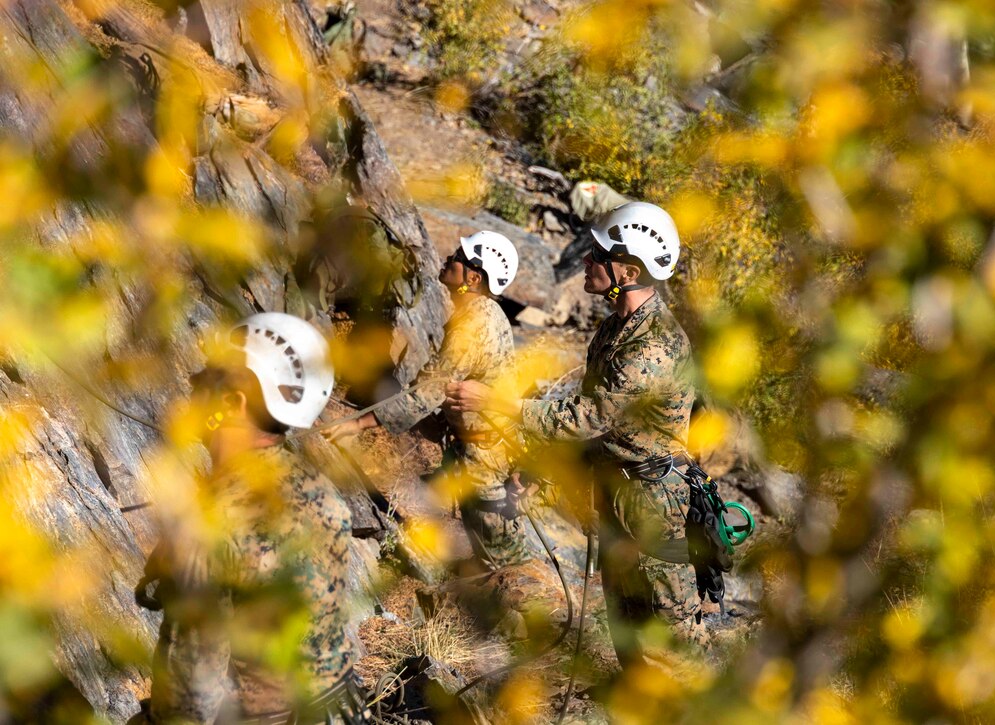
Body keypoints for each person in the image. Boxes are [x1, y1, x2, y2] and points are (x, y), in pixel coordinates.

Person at [445, 202, 711, 669]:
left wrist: (497, 404)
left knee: (670, 645)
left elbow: (593, 415)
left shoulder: (654, 345)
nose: (585, 260)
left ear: (627, 271)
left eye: (596, 253)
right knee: (627, 632)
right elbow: (605, 424)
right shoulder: (615, 327)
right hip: (619, 493)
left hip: (653, 503)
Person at [135, 313, 365, 724]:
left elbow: (188, 701)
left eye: (208, 376)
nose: (193, 383)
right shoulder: (319, 489)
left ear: (231, 404)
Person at [325, 231, 532, 570]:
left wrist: (358, 424)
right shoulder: (482, 313)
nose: (449, 258)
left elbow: (425, 391)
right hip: (482, 450)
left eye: (458, 258)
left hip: (484, 461)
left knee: (504, 561)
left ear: (473, 278)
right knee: (490, 553)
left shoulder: (474, 324)